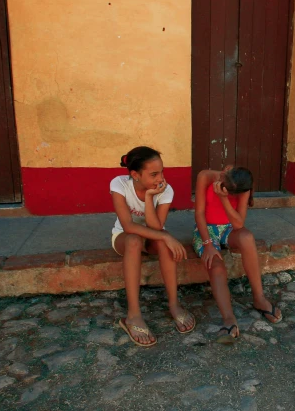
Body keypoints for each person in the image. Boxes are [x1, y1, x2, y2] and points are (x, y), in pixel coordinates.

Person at [110, 146, 195, 347]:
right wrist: (167, 237)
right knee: (134, 239)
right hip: (124, 237)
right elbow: (128, 226)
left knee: (164, 243)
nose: (160, 178)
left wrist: (149, 197)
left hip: (152, 235)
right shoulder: (119, 184)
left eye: (162, 172)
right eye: (154, 174)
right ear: (135, 175)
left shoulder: (166, 190)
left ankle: (174, 305)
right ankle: (133, 315)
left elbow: (155, 226)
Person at [193, 166, 282, 343]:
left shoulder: (243, 187)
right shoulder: (205, 176)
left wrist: (224, 199)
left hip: (228, 229)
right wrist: (208, 245)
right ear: (226, 170)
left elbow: (239, 224)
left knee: (247, 237)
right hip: (205, 232)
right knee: (216, 266)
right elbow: (200, 214)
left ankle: (259, 298)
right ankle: (228, 318)